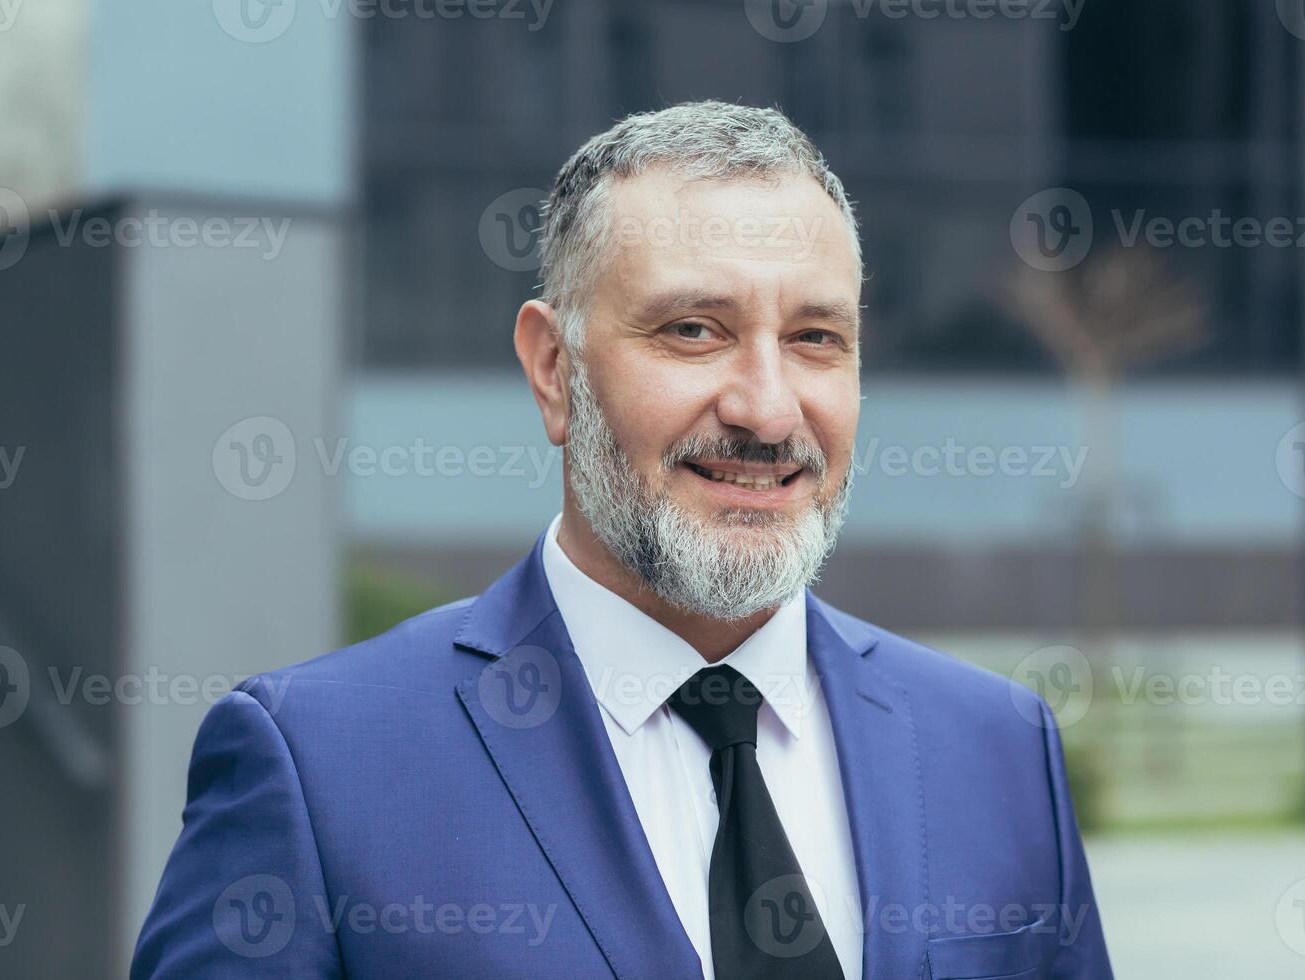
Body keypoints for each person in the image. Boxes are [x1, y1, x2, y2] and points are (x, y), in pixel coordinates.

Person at [132, 100, 1112, 979]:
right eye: (693, 329)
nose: (768, 409)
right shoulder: (322, 768)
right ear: (554, 369)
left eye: (817, 337)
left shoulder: (995, 751)